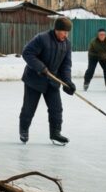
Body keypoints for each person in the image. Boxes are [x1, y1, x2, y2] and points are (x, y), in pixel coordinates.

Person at [19, 17, 75, 145]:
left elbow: (66, 65)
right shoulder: (42, 38)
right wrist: (41, 67)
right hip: (34, 79)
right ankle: (23, 130)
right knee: (29, 108)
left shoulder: (67, 44)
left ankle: (55, 133)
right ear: (56, 29)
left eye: (67, 33)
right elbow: (27, 53)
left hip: (52, 81)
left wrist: (67, 82)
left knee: (56, 109)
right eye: (63, 32)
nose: (65, 35)